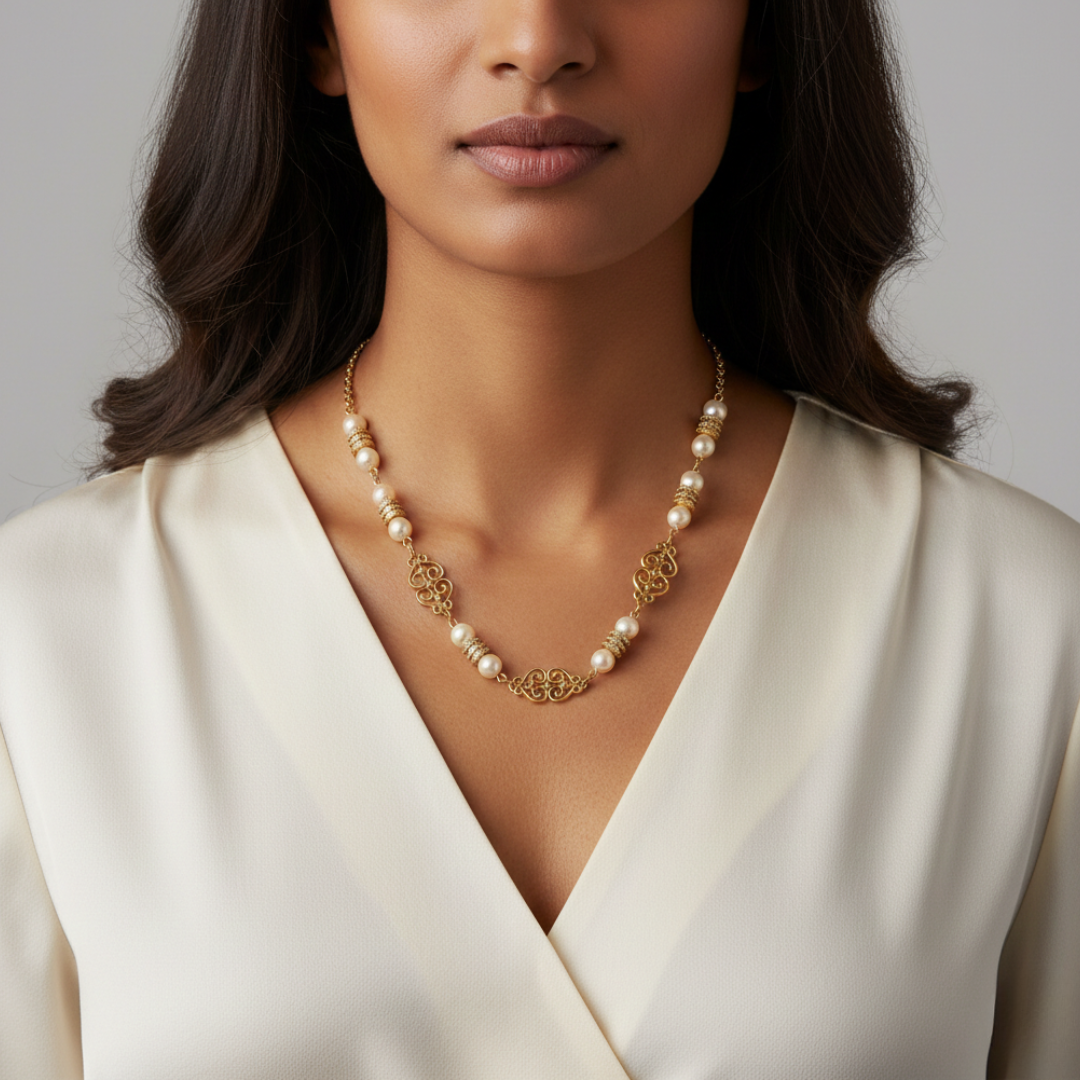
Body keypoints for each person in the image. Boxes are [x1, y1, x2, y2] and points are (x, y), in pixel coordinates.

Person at [1, 0, 1077, 1074]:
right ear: (316, 34)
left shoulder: (1024, 626)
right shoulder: (47, 636)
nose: (538, 36)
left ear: (764, 31)